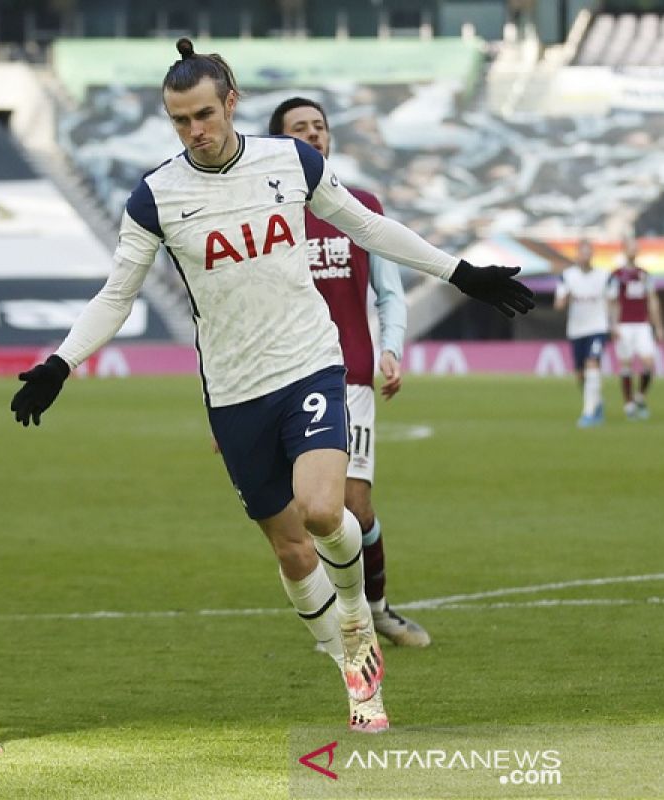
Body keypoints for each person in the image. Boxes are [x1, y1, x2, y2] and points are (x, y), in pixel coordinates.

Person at [9, 40, 533, 734]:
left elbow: (368, 226)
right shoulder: (156, 196)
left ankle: (356, 625)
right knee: (290, 549)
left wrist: (460, 272)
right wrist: (60, 363)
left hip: (310, 364)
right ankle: (349, 659)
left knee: (323, 512)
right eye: (179, 121)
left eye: (203, 114)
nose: (195, 131)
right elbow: (117, 295)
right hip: (233, 390)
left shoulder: (291, 162)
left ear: (231, 104)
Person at [267, 97, 430, 648]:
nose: (313, 135)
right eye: (299, 129)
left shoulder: (360, 206)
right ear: (280, 142)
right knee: (299, 514)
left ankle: (375, 609)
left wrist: (390, 349)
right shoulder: (269, 215)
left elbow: (388, 292)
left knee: (352, 509)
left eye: (319, 127)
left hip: (349, 376)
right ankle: (333, 620)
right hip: (282, 377)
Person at [554, 238, 610, 428]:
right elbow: (558, 305)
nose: (585, 256)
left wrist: (614, 324)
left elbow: (612, 301)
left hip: (598, 327)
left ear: (592, 254)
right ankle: (596, 402)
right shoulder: (567, 276)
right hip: (577, 330)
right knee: (580, 374)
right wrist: (567, 297)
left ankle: (588, 413)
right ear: (577, 255)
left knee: (592, 363)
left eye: (588, 252)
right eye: (582, 252)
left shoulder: (604, 276)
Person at [609, 235, 664, 420]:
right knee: (626, 364)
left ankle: (640, 396)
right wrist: (613, 324)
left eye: (636, 247)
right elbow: (612, 302)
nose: (634, 250)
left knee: (649, 362)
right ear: (624, 249)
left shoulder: (644, 274)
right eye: (631, 247)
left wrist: (658, 326)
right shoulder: (616, 275)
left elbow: (652, 300)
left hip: (642, 324)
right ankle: (628, 404)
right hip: (624, 325)